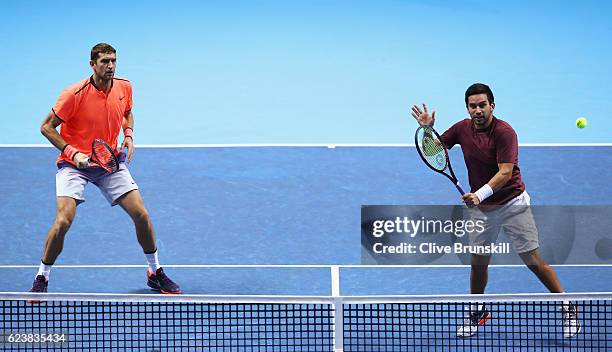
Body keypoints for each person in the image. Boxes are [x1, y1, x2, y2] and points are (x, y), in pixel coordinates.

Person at [411, 83, 579, 338]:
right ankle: (478, 310)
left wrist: (478, 195)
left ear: (492, 105)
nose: (477, 110)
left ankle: (568, 306)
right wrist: (426, 130)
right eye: (472, 106)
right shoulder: (461, 129)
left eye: (482, 105)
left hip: (513, 203)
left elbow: (505, 172)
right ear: (467, 107)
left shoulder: (504, 133)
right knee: (478, 263)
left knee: (532, 260)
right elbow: (435, 151)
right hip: (483, 209)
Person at [30, 43, 181, 295]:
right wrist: (72, 153)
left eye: (113, 60)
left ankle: (155, 272)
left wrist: (129, 135)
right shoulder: (74, 94)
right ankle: (42, 276)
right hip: (74, 164)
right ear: (92, 64)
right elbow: (46, 127)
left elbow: (127, 112)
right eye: (104, 62)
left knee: (141, 215)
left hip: (108, 161)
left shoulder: (124, 86)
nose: (110, 66)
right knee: (63, 221)